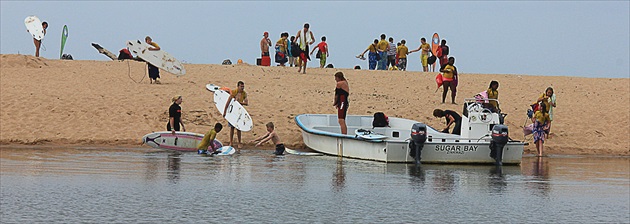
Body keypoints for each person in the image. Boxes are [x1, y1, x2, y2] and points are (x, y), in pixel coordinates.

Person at [223, 81, 249, 149]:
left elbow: (246, 103)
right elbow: (228, 102)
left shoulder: (244, 94)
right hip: (232, 111)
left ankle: (239, 142)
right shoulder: (234, 92)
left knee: (238, 128)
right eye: (241, 86)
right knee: (232, 127)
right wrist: (225, 112)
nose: (242, 88)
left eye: (243, 86)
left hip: (239, 112)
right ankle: (231, 142)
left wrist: (239, 102)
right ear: (238, 86)